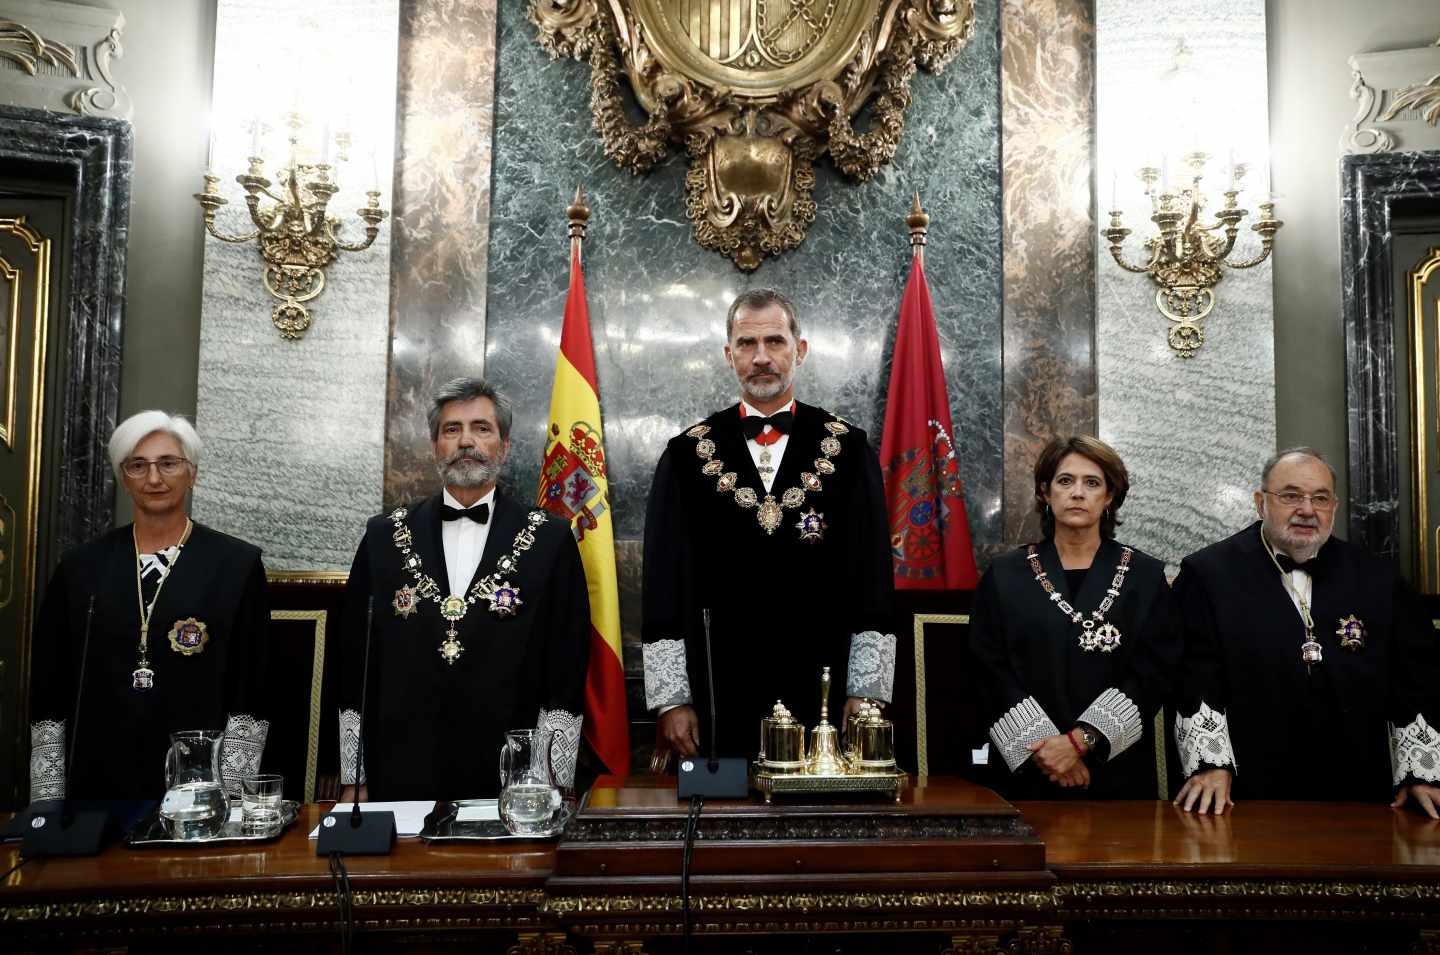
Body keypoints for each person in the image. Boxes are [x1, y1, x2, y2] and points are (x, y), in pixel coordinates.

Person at [642, 288, 895, 762]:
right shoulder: (685, 456)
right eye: (747, 344)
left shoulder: (848, 450)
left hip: (824, 683)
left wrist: (868, 691)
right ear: (728, 354)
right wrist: (672, 699)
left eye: (775, 342)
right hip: (719, 690)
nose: (762, 357)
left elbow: (873, 579)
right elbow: (660, 588)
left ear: (799, 350)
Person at [338, 378, 589, 800]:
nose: (466, 441)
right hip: (401, 769)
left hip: (514, 773)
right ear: (435, 445)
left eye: (481, 428)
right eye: (452, 430)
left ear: (504, 447)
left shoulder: (551, 540)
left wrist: (555, 780)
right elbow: (355, 661)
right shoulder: (382, 537)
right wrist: (352, 776)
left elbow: (565, 664)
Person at [1172, 447, 1440, 816]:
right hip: (1245, 787)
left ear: (1335, 507)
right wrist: (1211, 765)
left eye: (1320, 498)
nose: (1307, 509)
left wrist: (1419, 772)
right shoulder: (1208, 575)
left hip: (1359, 784)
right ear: (1260, 502)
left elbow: (1415, 676)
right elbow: (1195, 674)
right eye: (1291, 495)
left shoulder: (1379, 580)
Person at [29, 412, 270, 802]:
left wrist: (234, 800)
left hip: (197, 788)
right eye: (138, 466)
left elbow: (252, 690)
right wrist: (48, 799)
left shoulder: (236, 565)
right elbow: (50, 688)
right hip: (95, 786)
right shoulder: (79, 570)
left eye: (168, 463)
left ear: (192, 473)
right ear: (124, 478)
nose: (154, 478)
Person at [969, 436, 1180, 799]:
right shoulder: (1005, 575)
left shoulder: (1145, 576)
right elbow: (988, 666)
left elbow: (1153, 672)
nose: (1078, 493)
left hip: (1116, 770)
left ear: (1109, 496)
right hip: (1026, 770)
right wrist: (1048, 749)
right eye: (1065, 481)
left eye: (1092, 482)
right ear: (1045, 492)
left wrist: (1081, 741)